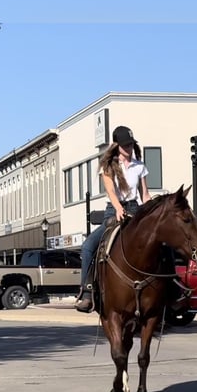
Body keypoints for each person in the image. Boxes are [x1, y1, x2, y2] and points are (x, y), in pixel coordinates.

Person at [75, 125, 152, 312]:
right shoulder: (108, 166)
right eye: (125, 145)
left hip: (135, 209)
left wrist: (152, 211)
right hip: (113, 211)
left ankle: (172, 291)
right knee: (88, 247)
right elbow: (110, 191)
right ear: (116, 146)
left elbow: (145, 195)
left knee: (160, 240)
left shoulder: (139, 166)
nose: (129, 149)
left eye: (131, 145)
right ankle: (87, 291)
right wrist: (118, 208)